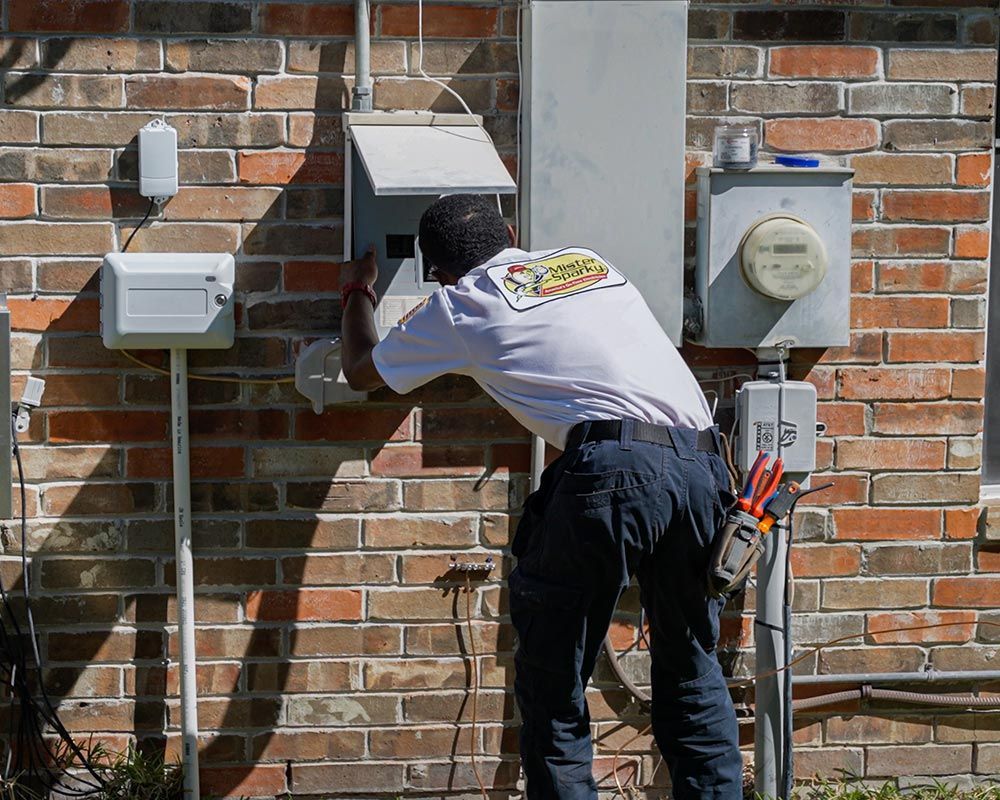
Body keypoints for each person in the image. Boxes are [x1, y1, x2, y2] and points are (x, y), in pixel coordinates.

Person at [338, 194, 741, 800]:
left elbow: (361, 369)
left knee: (554, 682)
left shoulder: (458, 304)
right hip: (704, 463)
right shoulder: (585, 263)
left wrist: (358, 292)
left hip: (614, 468)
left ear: (438, 273)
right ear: (511, 231)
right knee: (691, 668)